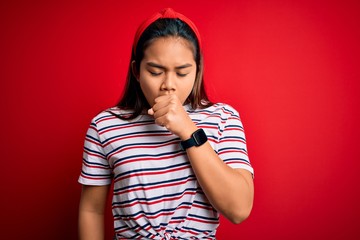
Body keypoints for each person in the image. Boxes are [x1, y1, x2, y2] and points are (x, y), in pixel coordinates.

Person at [78, 8, 254, 240]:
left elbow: (239, 210)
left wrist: (188, 129)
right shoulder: (105, 126)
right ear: (136, 72)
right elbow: (91, 210)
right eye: (155, 71)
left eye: (181, 73)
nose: (168, 85)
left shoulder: (223, 118)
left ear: (197, 71)